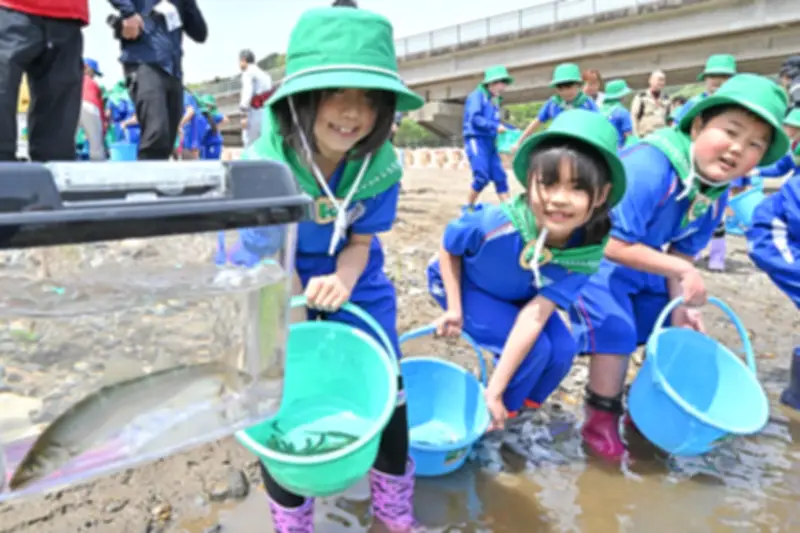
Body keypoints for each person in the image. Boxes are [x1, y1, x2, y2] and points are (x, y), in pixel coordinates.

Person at [221, 5, 425, 532]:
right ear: (303, 99)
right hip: (270, 272)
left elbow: (361, 240)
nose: (353, 113)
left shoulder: (379, 165)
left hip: (350, 275)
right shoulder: (264, 167)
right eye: (337, 93)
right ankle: (293, 520)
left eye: (369, 99)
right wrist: (299, 323)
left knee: (390, 389)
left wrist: (343, 281)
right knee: (282, 392)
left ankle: (394, 513)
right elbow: (269, 258)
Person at [568, 74, 789, 462]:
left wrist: (683, 306)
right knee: (616, 329)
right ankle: (600, 418)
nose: (739, 149)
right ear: (699, 124)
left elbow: (682, 255)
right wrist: (682, 273)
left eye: (755, 144)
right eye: (732, 132)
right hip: (593, 258)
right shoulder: (650, 165)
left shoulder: (714, 194)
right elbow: (612, 243)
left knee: (672, 326)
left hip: (643, 260)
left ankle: (644, 407)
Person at [428, 110, 626, 428]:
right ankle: (493, 413)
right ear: (529, 182)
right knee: (535, 351)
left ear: (601, 195)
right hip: (466, 286)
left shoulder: (585, 249)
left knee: (562, 349)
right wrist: (453, 308)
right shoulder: (496, 223)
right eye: (548, 183)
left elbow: (536, 313)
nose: (559, 200)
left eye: (577, 188)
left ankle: (519, 412)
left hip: (521, 298)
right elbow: (449, 248)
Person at [109, 0, 207, 160]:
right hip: (144, 62)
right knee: (156, 133)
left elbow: (200, 33)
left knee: (168, 139)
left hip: (173, 70)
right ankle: (147, 183)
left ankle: (158, 182)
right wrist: (128, 12)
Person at [0, 0, 88, 161]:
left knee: (57, 148)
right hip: (10, 9)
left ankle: (55, 176)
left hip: (68, 16)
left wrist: (128, 11)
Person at [513, 63, 599, 150]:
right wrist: (519, 142)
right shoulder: (553, 103)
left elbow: (599, 123)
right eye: (560, 88)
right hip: (559, 144)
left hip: (582, 143)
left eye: (569, 87)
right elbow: (537, 122)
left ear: (578, 85)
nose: (565, 92)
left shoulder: (586, 102)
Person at [462, 66, 513, 209]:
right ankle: (468, 207)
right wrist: (495, 127)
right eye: (501, 83)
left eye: (504, 83)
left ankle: (509, 210)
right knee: (482, 176)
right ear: (492, 83)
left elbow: (496, 123)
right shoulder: (477, 96)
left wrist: (512, 130)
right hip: (476, 139)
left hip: (490, 141)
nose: (503, 86)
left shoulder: (494, 100)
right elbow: (475, 119)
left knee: (500, 176)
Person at [238, 48, 273, 147]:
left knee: (250, 145)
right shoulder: (266, 75)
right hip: (266, 113)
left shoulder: (248, 72)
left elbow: (247, 94)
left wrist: (243, 115)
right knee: (265, 146)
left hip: (253, 113)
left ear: (243, 60)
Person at [80, 58, 106, 161]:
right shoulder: (93, 84)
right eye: (93, 72)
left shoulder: (74, 80)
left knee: (67, 143)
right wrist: (103, 127)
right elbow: (99, 107)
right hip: (90, 106)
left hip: (74, 107)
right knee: (96, 147)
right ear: (87, 68)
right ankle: (99, 170)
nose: (94, 75)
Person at [630, 70, 669, 138]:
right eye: (659, 80)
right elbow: (634, 117)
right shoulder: (641, 97)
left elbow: (669, 118)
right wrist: (636, 137)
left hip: (662, 137)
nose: (662, 83)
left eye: (663, 80)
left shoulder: (666, 98)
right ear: (650, 81)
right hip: (645, 137)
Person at [600, 79, 633, 150]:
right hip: (620, 150)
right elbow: (629, 137)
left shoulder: (599, 111)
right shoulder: (622, 112)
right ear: (621, 95)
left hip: (604, 150)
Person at [196, 94, 225, 160]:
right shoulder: (200, 116)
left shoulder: (215, 116)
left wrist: (216, 124)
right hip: (204, 145)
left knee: (212, 162)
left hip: (213, 143)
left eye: (209, 105)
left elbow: (225, 119)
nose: (207, 107)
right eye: (205, 105)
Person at [177, 88, 200, 159]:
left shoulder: (183, 94)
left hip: (189, 140)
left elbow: (190, 111)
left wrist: (179, 125)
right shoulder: (187, 95)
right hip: (190, 140)